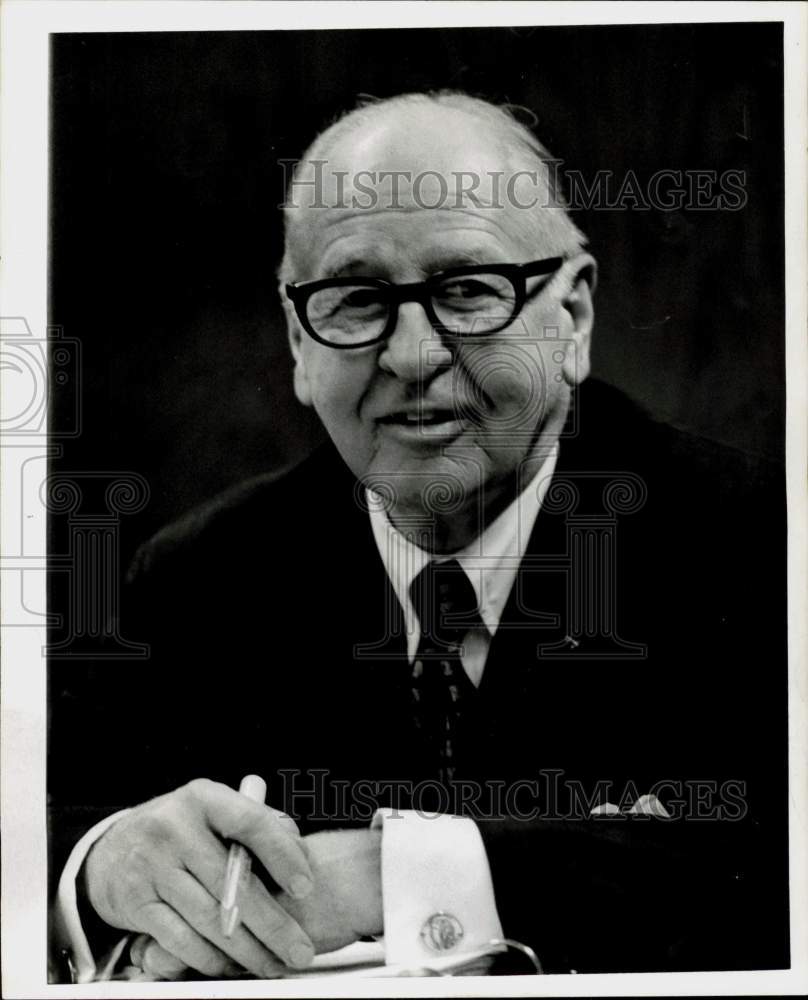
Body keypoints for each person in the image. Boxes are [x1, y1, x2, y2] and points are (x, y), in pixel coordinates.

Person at [50, 91, 788, 981]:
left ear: (576, 318)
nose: (410, 356)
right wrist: (104, 862)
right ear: (297, 338)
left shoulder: (765, 543)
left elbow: (777, 868)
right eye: (357, 300)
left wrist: (394, 873)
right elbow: (54, 812)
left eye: (467, 291)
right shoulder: (195, 576)